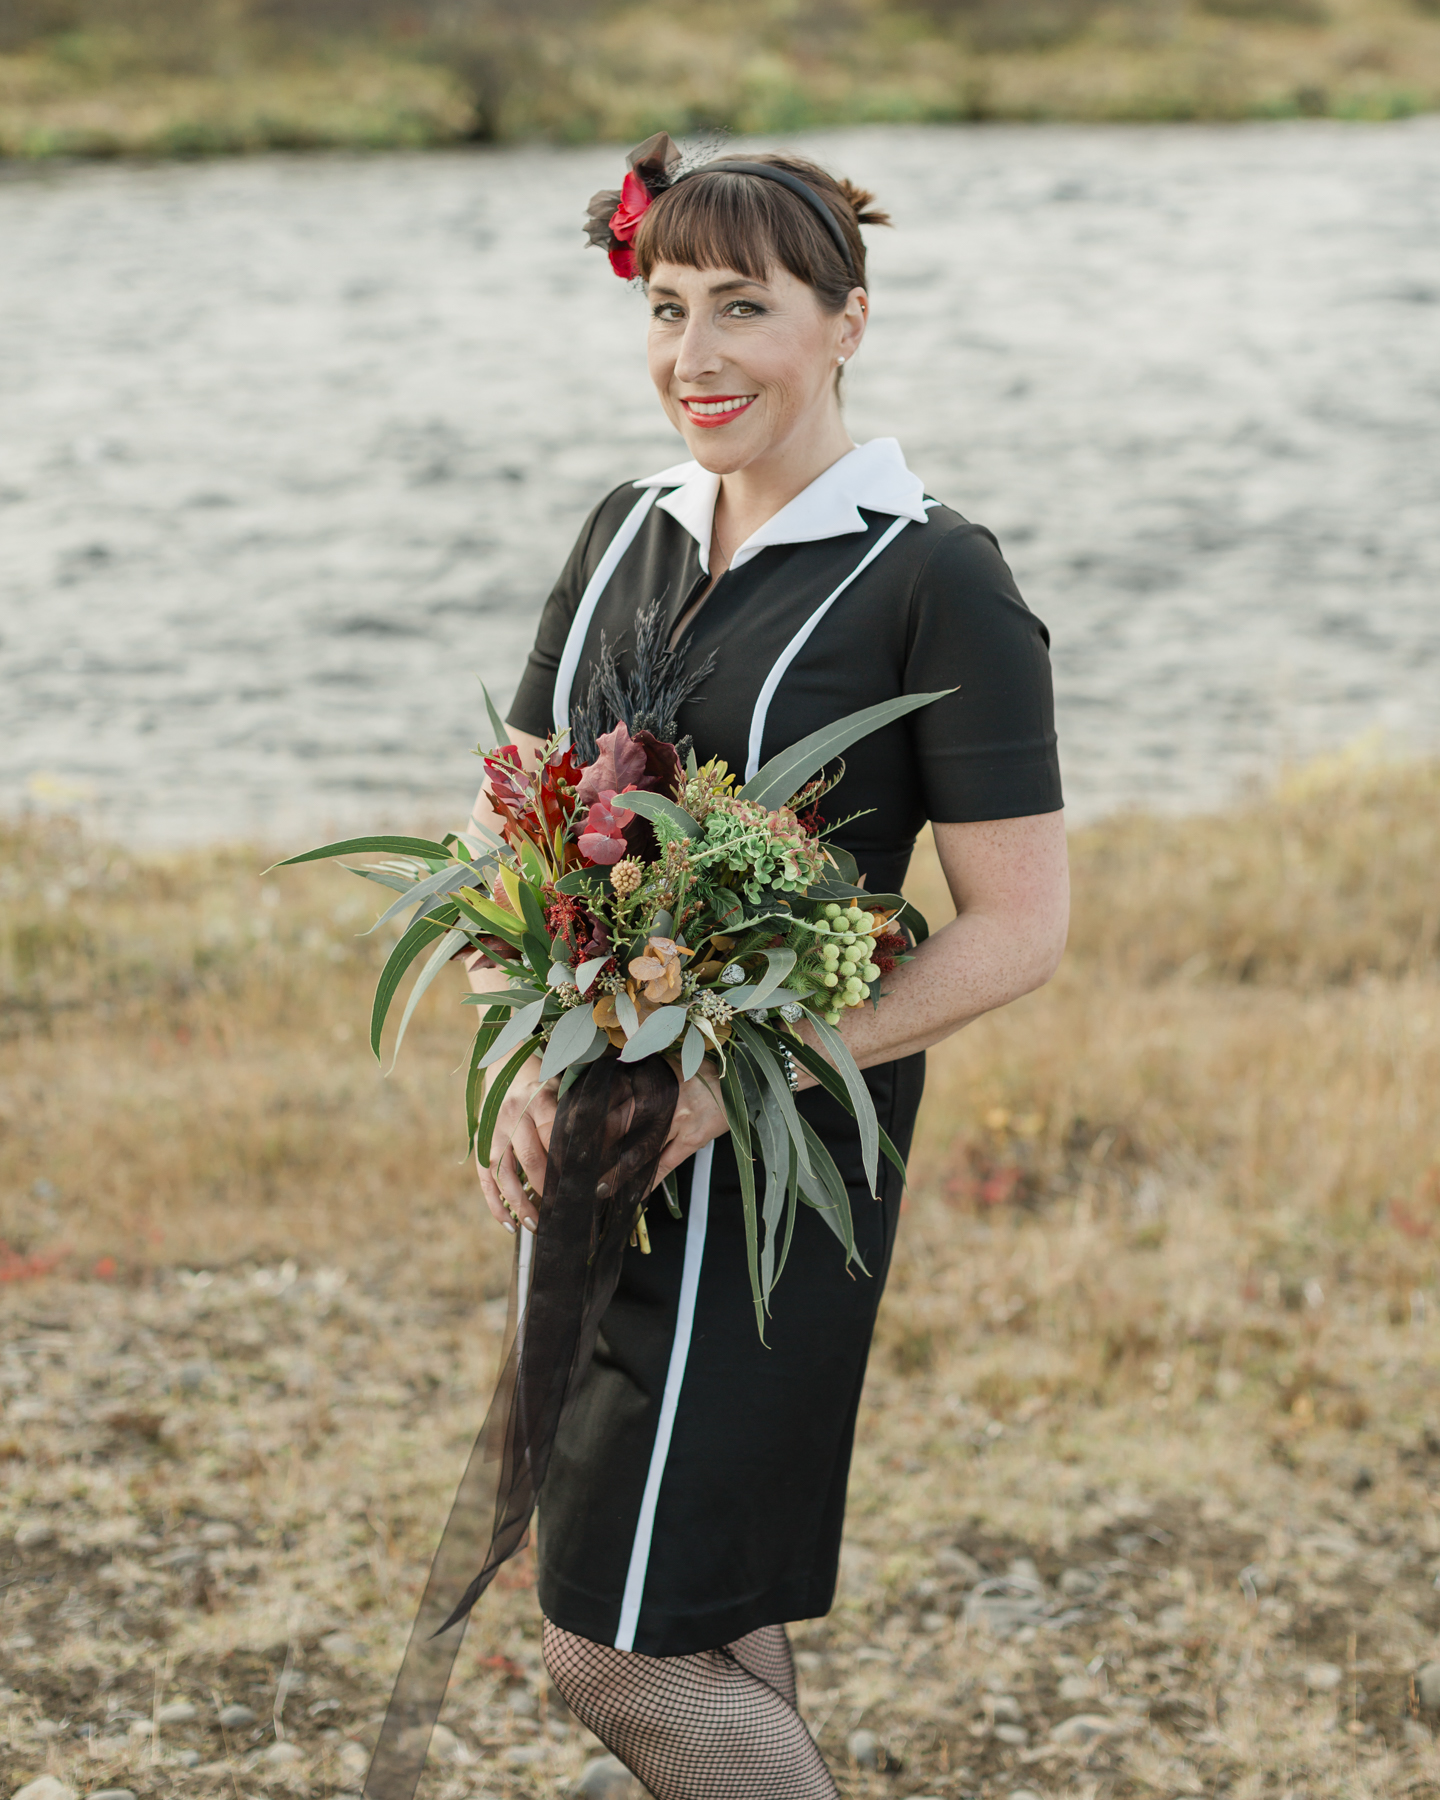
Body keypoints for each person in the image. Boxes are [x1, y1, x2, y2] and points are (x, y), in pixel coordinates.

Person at [463, 140, 1069, 1800]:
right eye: (667, 308)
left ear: (846, 320)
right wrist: (521, 1062)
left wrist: (739, 1089)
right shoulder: (623, 531)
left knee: (615, 1649)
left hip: (777, 1160)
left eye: (745, 307)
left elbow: (1019, 926)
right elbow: (517, 832)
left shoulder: (936, 575)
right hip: (592, 1131)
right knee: (703, 1609)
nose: (696, 355)